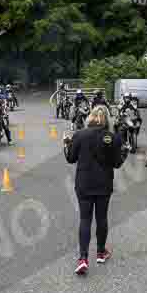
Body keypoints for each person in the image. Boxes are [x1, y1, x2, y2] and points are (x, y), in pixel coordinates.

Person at [63, 105, 126, 275]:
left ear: (90, 117)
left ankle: (83, 258)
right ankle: (100, 252)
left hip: (83, 183)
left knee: (85, 219)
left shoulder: (80, 134)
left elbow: (70, 158)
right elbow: (117, 163)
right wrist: (124, 153)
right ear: (107, 119)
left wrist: (66, 144)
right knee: (101, 217)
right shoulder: (112, 137)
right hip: (103, 184)